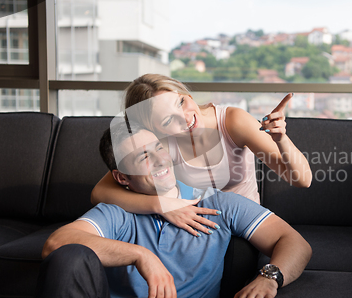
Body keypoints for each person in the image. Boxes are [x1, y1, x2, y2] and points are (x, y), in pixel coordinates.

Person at [33, 121, 312, 298]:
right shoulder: (117, 213)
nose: (159, 160)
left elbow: (294, 242)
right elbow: (57, 244)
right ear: (122, 178)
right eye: (143, 156)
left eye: (158, 148)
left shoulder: (218, 203)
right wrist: (140, 255)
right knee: (70, 258)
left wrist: (269, 278)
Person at [91, 74, 312, 237]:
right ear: (154, 130)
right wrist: (161, 206)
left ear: (186, 94)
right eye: (168, 120)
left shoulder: (232, 121)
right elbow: (100, 192)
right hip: (196, 228)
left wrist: (280, 138)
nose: (185, 117)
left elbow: (303, 180)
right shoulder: (161, 146)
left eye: (180, 102)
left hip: (243, 226)